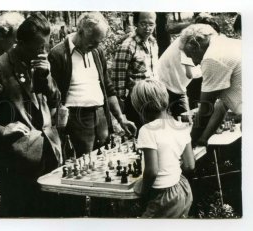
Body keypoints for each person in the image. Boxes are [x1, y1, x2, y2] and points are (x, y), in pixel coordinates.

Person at [0, 12, 62, 217]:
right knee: (16, 210)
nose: (42, 51)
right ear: (21, 42)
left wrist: (46, 78)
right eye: (38, 47)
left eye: (45, 45)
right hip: (15, 158)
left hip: (47, 149)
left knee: (45, 210)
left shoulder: (38, 62)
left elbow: (54, 100)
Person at [48, 11, 136, 217]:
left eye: (99, 42)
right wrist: (58, 127)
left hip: (101, 116)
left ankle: (103, 213)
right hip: (76, 119)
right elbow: (53, 96)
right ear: (80, 31)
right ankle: (76, 216)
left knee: (104, 165)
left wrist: (121, 118)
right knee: (80, 170)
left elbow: (108, 88)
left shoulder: (97, 52)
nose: (96, 46)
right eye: (93, 41)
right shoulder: (58, 54)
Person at [131, 79, 195, 218]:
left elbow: (152, 171)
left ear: (141, 107)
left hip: (163, 196)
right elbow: (190, 165)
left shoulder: (147, 130)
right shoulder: (181, 126)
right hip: (183, 188)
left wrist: (144, 193)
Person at [179, 24, 241, 146]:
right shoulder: (225, 42)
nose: (195, 63)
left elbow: (205, 109)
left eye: (191, 56)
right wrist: (203, 138)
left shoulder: (211, 58)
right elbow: (222, 104)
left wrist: (190, 143)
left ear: (196, 46)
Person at [111, 12, 159, 129]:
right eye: (143, 24)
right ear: (136, 23)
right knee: (140, 134)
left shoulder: (153, 43)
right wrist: (120, 107)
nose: (147, 28)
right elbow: (118, 79)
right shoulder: (128, 46)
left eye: (151, 24)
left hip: (152, 98)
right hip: (135, 102)